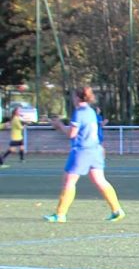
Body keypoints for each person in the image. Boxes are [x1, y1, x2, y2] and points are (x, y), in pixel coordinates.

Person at [43, 87, 125, 223]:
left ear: (77, 98)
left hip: (82, 151)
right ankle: (117, 210)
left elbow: (72, 134)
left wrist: (59, 126)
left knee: (69, 181)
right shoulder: (90, 111)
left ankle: (60, 214)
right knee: (99, 180)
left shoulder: (79, 113)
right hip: (95, 150)